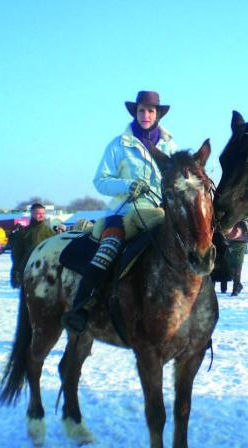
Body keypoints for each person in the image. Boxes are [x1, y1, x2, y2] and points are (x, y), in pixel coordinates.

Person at [61, 90, 177, 334]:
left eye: (151, 111)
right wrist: (128, 185)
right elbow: (100, 180)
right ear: (136, 112)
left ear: (158, 115)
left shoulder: (169, 144)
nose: (146, 115)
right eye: (141, 110)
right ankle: (81, 306)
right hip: (124, 211)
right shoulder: (118, 145)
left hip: (159, 211)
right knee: (109, 247)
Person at [11, 203, 55, 288]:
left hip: (46, 271)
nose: (41, 215)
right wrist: (15, 273)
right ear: (32, 214)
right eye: (38, 213)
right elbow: (17, 255)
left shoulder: (50, 233)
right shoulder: (23, 233)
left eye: (43, 213)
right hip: (28, 270)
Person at [223, 220, 248, 296]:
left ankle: (235, 289)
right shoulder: (233, 221)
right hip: (230, 251)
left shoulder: (242, 223)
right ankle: (238, 286)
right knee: (231, 271)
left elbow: (245, 237)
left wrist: (231, 247)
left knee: (237, 272)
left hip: (238, 249)